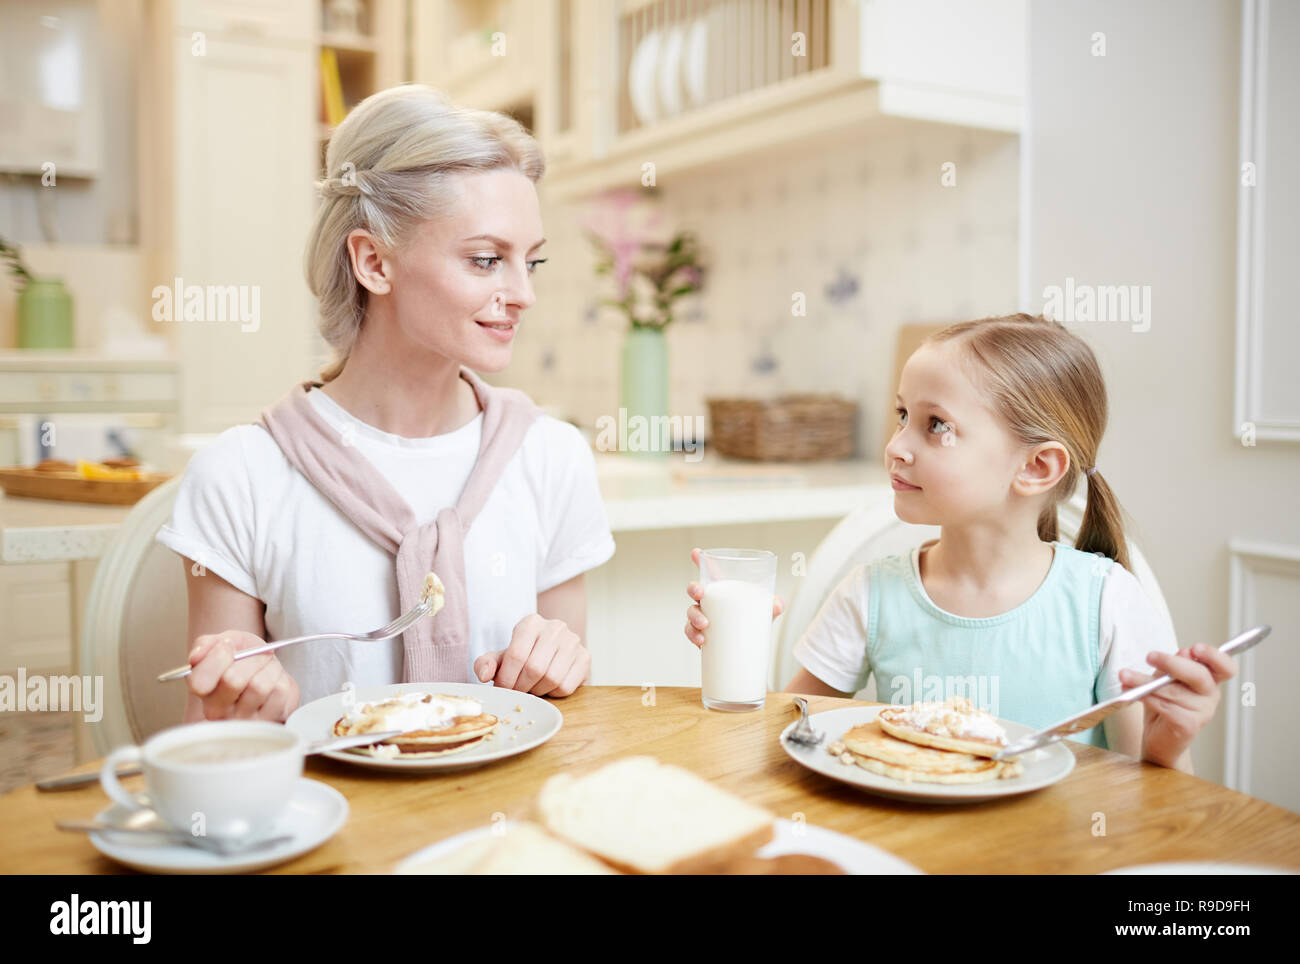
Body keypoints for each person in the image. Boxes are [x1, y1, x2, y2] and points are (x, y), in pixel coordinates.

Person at [158, 84, 615, 723]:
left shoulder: (551, 456)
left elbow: (568, 724)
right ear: (374, 262)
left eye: (530, 263)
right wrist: (247, 712)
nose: (522, 293)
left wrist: (563, 664)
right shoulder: (240, 476)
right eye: (487, 260)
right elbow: (215, 749)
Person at [684, 314, 1234, 773]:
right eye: (903, 415)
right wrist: (730, 651)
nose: (896, 446)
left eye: (936, 425)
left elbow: (1151, 804)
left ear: (1037, 466)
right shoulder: (870, 595)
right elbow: (790, 738)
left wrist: (1167, 747)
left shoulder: (1106, 603)